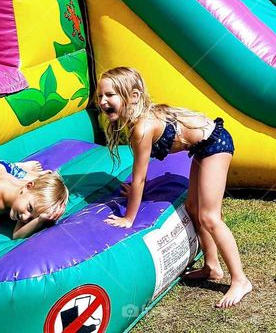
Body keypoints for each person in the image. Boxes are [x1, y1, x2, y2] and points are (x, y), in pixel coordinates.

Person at [96, 67, 252, 308]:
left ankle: (241, 280)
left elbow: (138, 179)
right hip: (202, 147)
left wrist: (129, 217)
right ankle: (212, 266)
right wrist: (135, 193)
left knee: (210, 217)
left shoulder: (142, 128)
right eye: (100, 96)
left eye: (110, 95)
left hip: (216, 144)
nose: (103, 101)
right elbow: (140, 176)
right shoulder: (137, 122)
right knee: (192, 207)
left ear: (134, 96)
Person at [0, 160, 68, 252]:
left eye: (31, 218)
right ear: (27, 187)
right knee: (22, 173)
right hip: (0, 167)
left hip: (10, 180)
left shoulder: (26, 200)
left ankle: (37, 176)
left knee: (34, 182)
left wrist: (40, 220)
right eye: (29, 208)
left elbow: (16, 235)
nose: (25, 217)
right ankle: (25, 167)